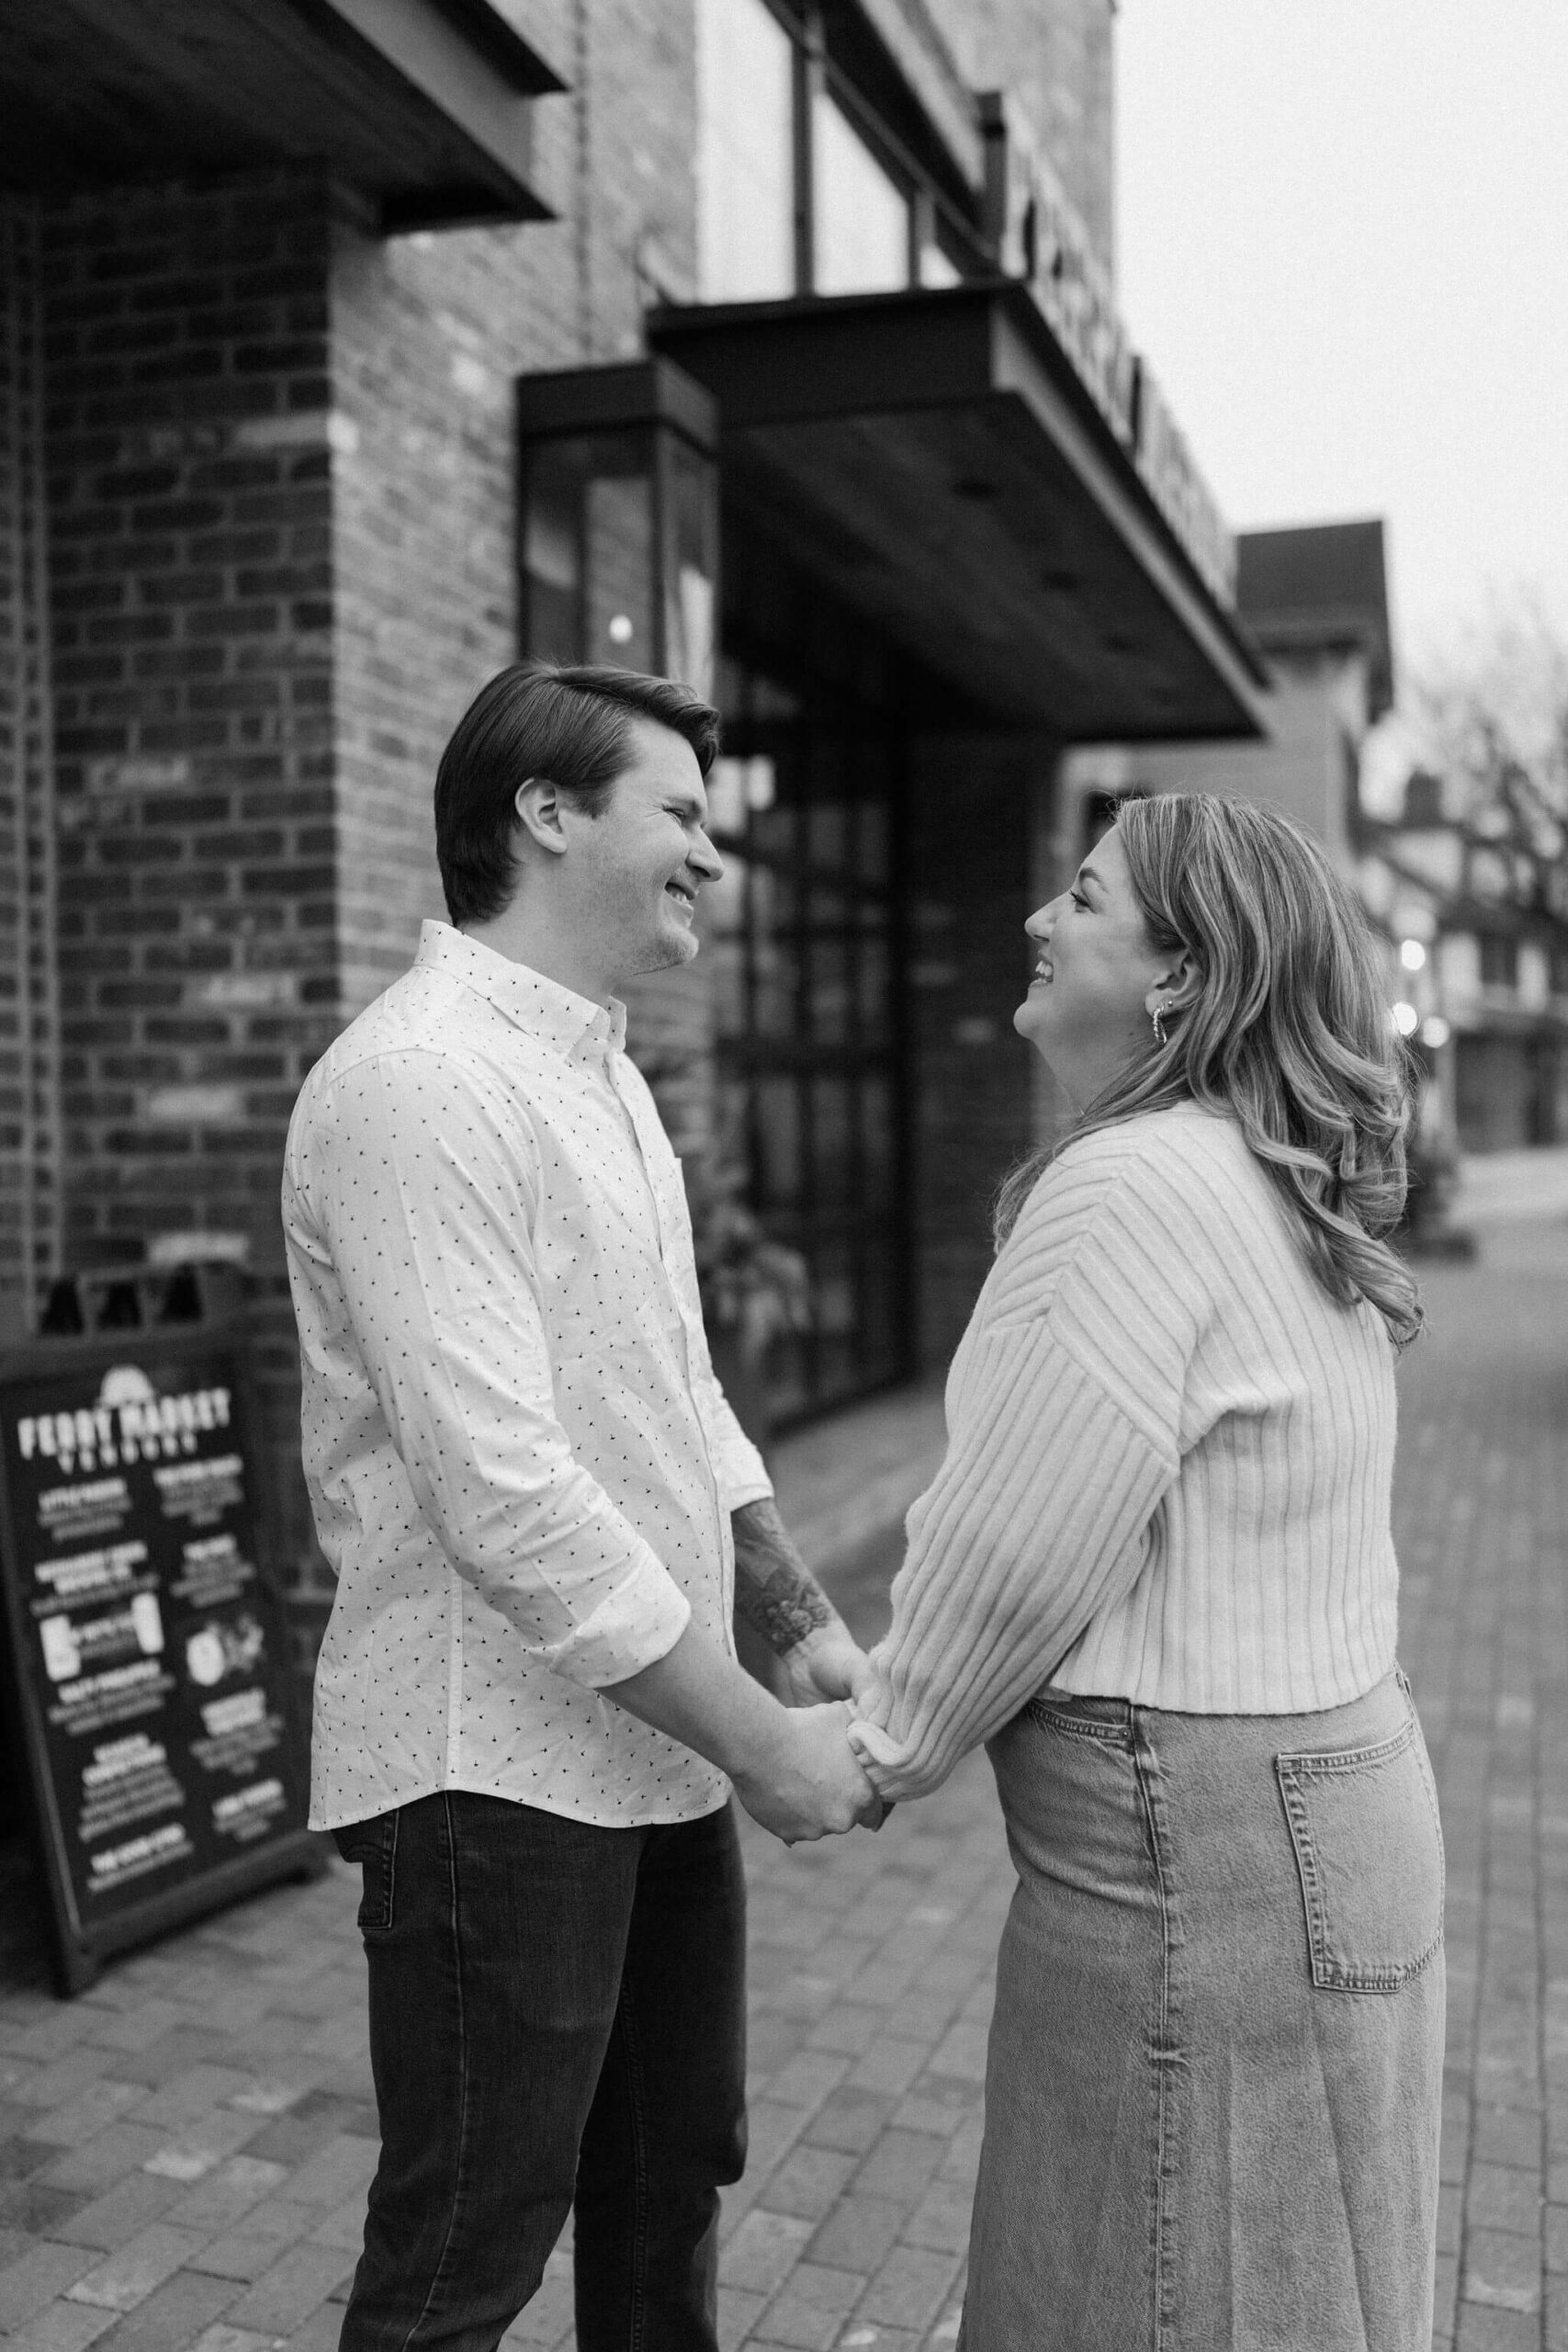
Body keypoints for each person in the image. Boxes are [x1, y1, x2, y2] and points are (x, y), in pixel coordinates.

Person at [282, 662, 880, 2352]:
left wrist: (801, 1634)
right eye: (681, 812)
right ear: (547, 813)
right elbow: (507, 1496)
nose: (714, 855)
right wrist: (767, 1747)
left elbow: (674, 1396)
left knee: (666, 2189)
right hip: (490, 1773)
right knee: (464, 2260)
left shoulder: (604, 1075)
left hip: (653, 1748)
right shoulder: (417, 1081)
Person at [848, 793, 1444, 2352]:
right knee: (1304, 2291)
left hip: (1198, 1855)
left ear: (1180, 974)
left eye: (1087, 898)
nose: (1040, 917)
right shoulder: (1267, 1179)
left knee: (1140, 2295)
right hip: (1341, 1804)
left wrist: (876, 1744)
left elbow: (1013, 1552)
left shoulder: (1126, 1188)